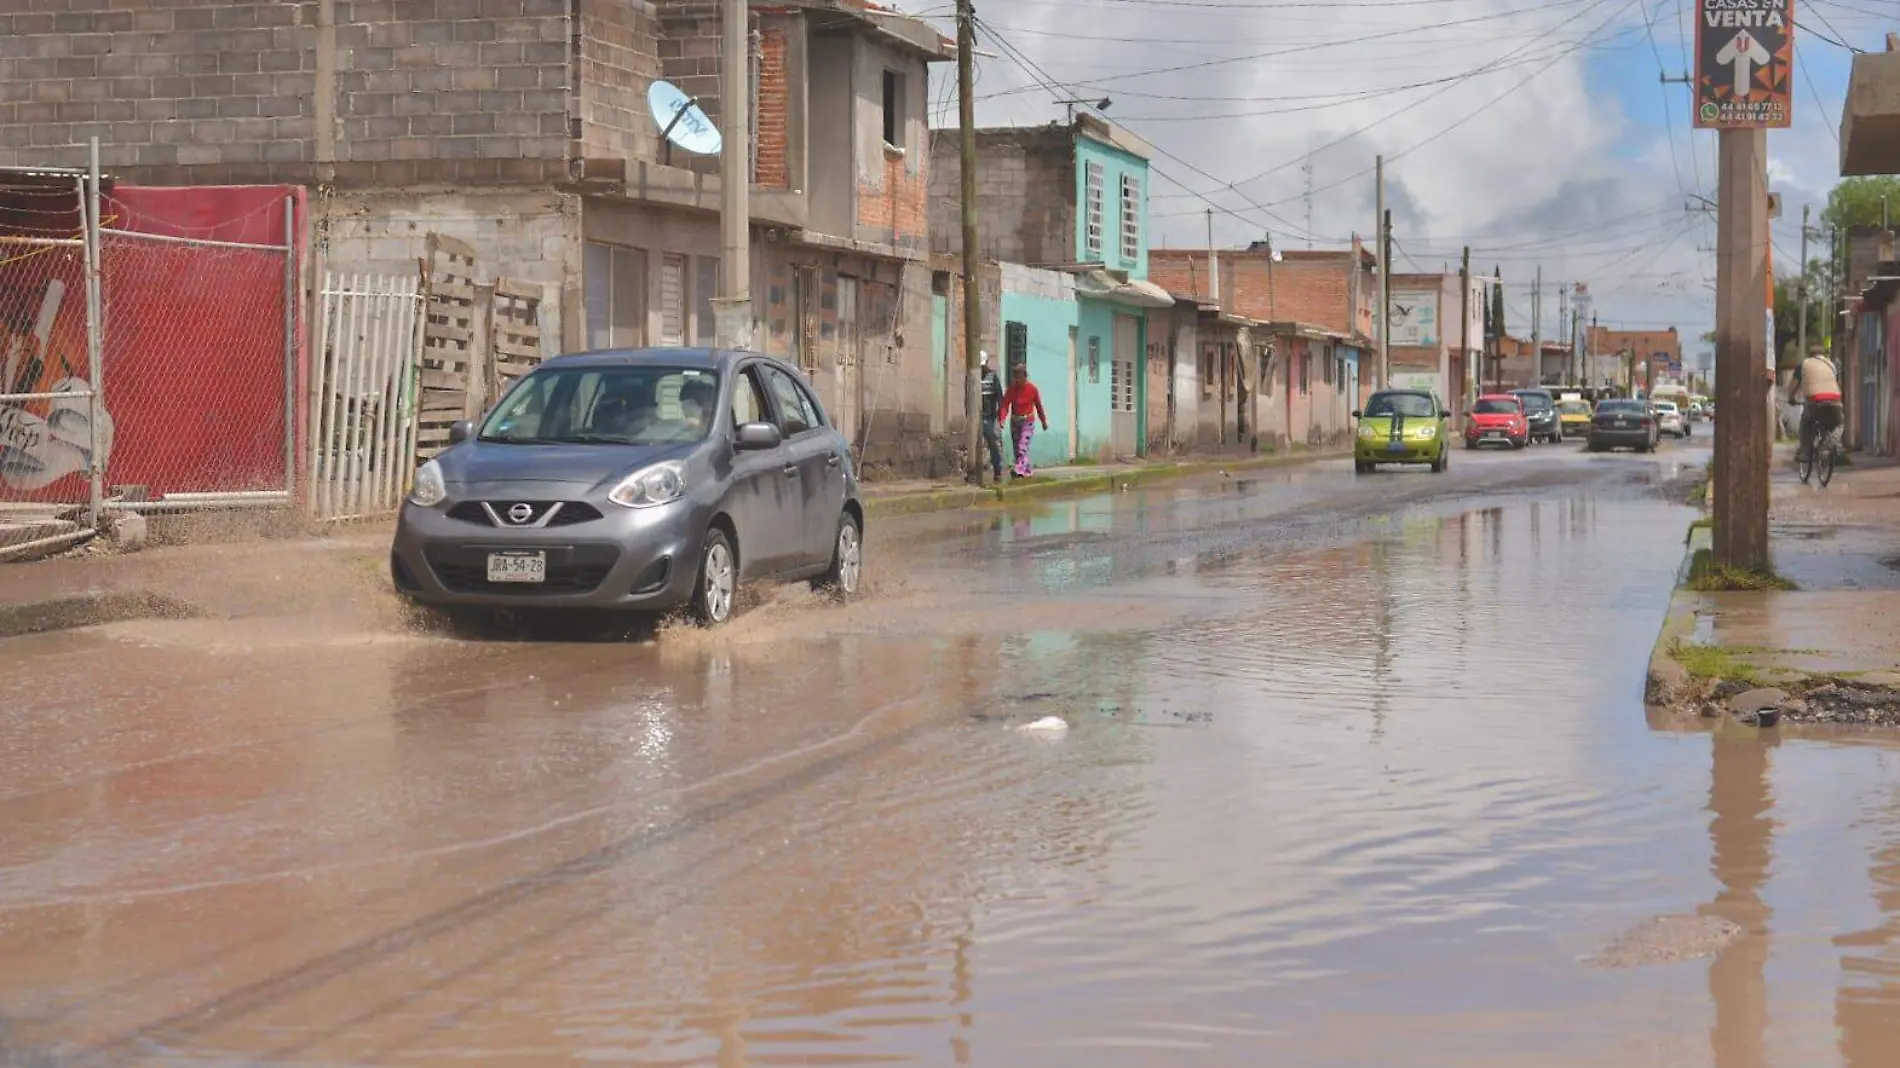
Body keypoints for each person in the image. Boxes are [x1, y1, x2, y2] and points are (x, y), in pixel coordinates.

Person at [1791, 344, 1844, 465]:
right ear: (1823, 355)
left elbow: (1793, 385)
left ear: (1809, 355)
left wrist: (1791, 398)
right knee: (1838, 425)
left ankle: (1805, 452)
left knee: (1806, 423)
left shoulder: (1804, 364)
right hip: (1834, 400)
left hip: (1815, 400)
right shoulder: (1831, 365)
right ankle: (1827, 446)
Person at [997, 364, 1048, 478]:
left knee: (1022, 446)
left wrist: (1043, 421)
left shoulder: (1032, 389)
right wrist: (1002, 419)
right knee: (1017, 449)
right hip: (1015, 421)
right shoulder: (1011, 389)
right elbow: (1005, 405)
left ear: (1025, 376)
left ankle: (1019, 470)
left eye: (1020, 377)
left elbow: (1038, 406)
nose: (1018, 380)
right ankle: (1027, 471)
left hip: (1027, 421)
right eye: (1016, 377)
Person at [977, 351, 1005, 481]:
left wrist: (1001, 415)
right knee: (975, 446)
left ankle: (997, 471)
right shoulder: (972, 376)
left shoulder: (993, 376)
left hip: (990, 417)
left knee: (993, 445)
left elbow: (1000, 397)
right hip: (976, 417)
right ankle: (975, 472)